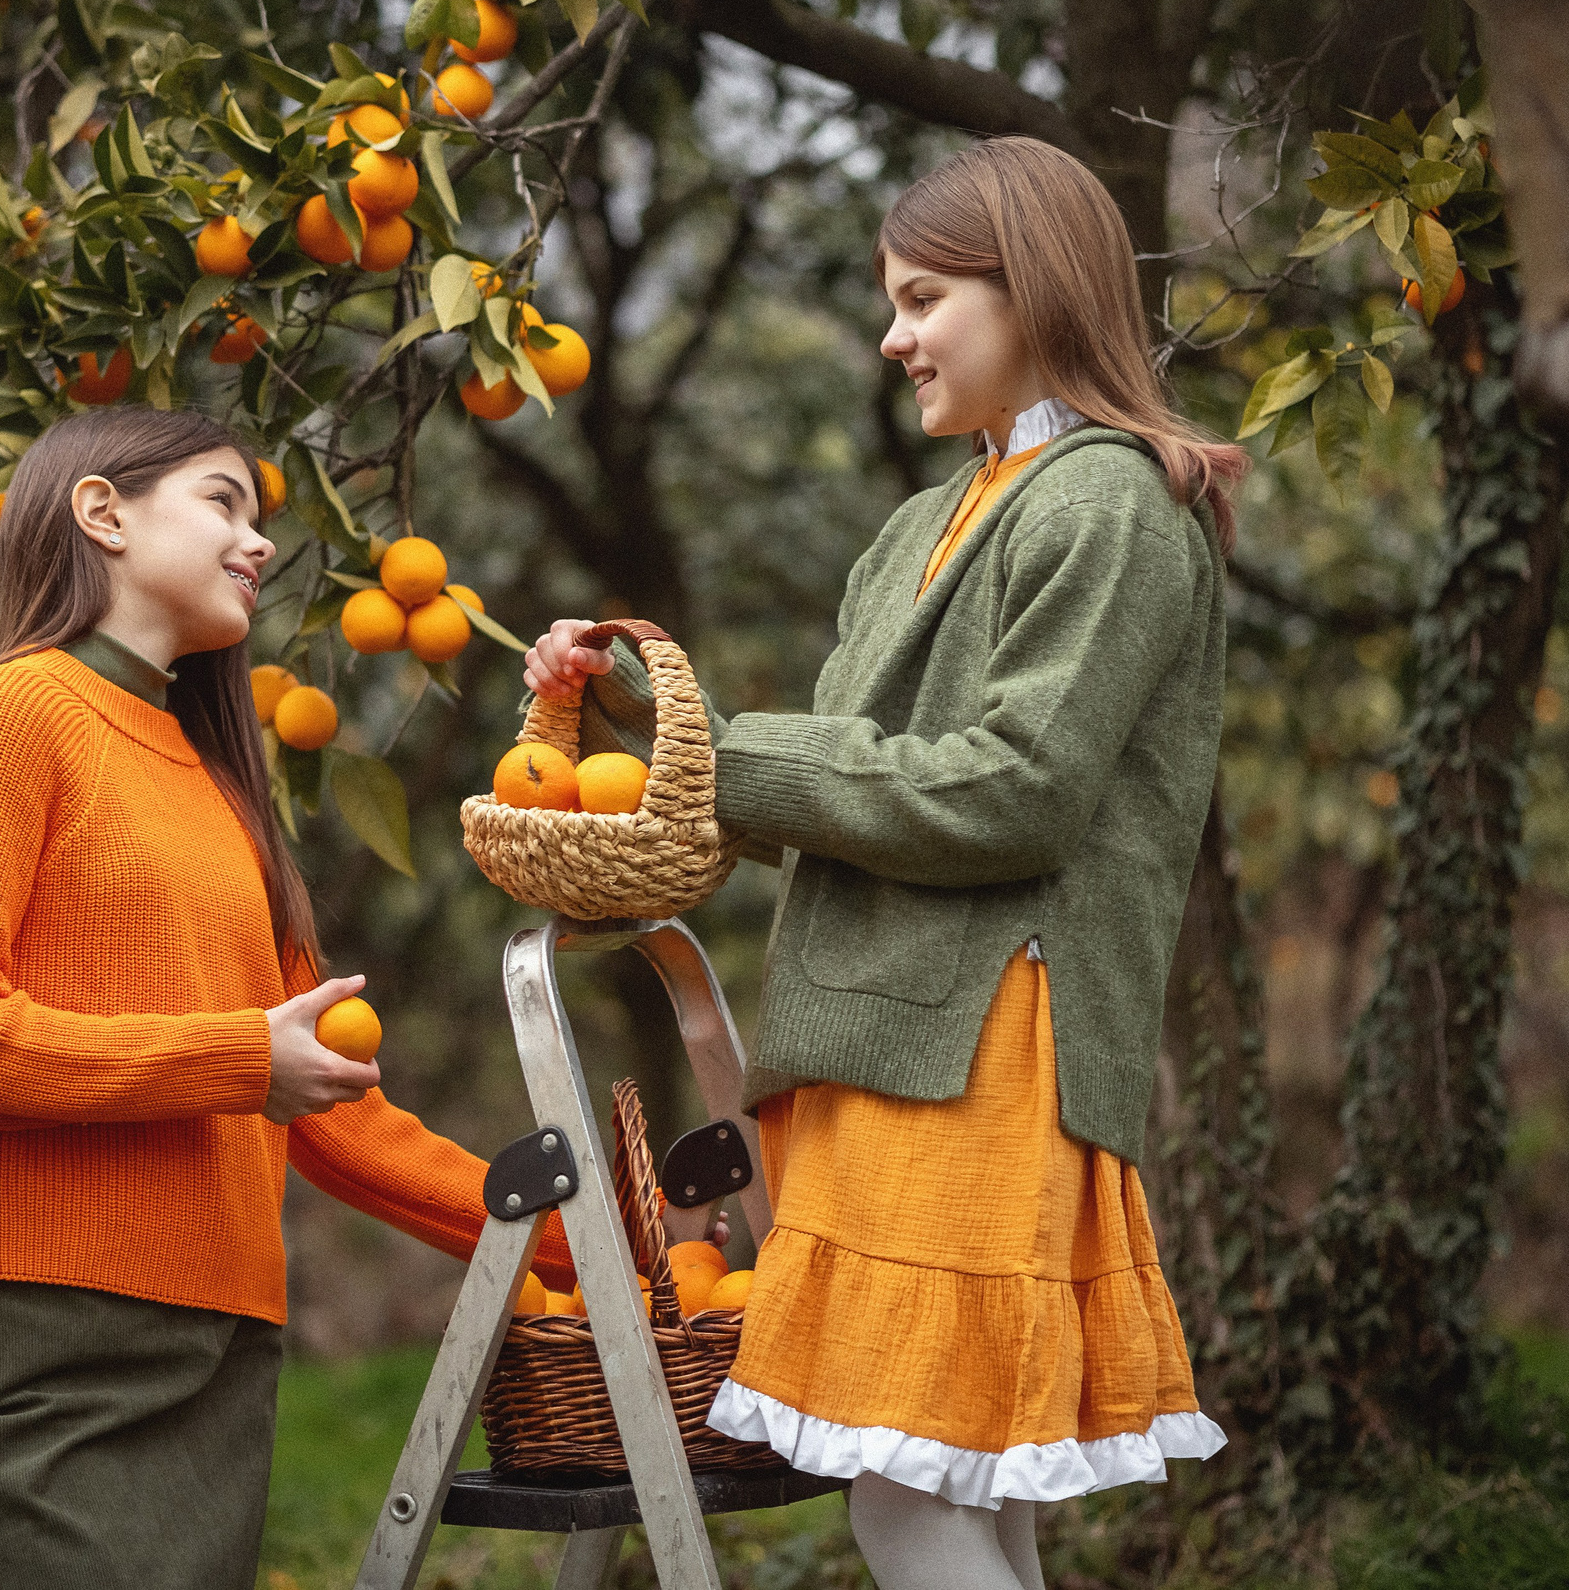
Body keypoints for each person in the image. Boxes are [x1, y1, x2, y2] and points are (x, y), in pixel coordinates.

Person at [524, 136, 1242, 1590]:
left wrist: (731, 758)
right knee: (972, 1501)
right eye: (890, 302)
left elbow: (1020, 793)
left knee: (904, 1501)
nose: (892, 335)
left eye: (924, 298)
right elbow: (840, 778)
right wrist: (662, 730)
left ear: (1032, 286)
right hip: (893, 1036)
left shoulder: (1106, 502)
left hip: (981, 1046)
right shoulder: (928, 520)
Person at [0, 406, 575, 1590]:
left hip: (219, 1336)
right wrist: (237, 1061)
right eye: (222, 502)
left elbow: (337, 1113)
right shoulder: (11, 714)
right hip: (56, 1326)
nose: (259, 543)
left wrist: (573, 1240)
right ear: (102, 513)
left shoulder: (218, 784)